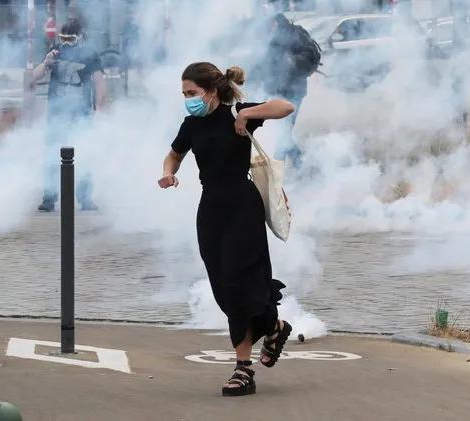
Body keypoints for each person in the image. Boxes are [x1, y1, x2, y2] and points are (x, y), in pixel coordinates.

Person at [158, 62, 295, 397]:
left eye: (192, 93)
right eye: (184, 94)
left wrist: (247, 117)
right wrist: (168, 173)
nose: (188, 99)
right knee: (222, 285)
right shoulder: (191, 124)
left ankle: (242, 370)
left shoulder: (238, 111)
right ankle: (274, 327)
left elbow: (285, 106)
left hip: (243, 207)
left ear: (212, 90)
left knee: (238, 280)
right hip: (211, 209)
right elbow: (173, 155)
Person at [30, 19, 105, 212]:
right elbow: (35, 76)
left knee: (84, 154)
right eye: (63, 38)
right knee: (52, 155)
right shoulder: (55, 52)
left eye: (70, 38)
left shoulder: (90, 54)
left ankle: (85, 197)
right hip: (57, 114)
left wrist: (99, 108)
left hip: (81, 113)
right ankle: (49, 197)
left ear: (79, 37)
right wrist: (46, 63)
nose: (66, 42)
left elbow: (99, 82)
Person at [252, 13, 321, 169]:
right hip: (273, 91)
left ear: (275, 21)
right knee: (281, 133)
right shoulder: (267, 38)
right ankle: (300, 166)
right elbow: (260, 63)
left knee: (282, 133)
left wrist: (293, 60)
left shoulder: (295, 34)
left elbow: (312, 55)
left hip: (293, 92)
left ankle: (278, 171)